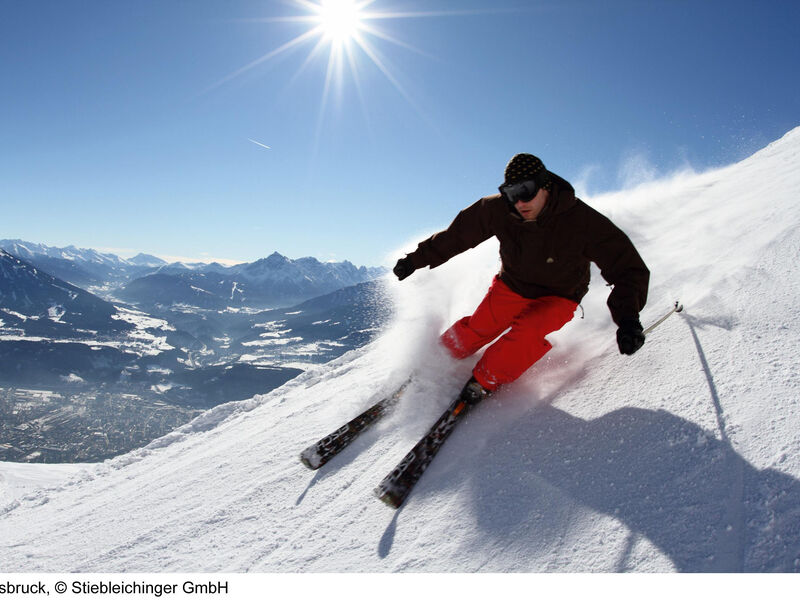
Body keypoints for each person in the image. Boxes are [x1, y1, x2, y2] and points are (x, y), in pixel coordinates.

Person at [393, 153, 650, 404]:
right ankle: (438, 360)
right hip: (513, 285)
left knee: (528, 332)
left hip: (560, 294)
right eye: (511, 194)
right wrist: (414, 260)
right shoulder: (497, 209)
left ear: (544, 184)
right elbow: (457, 236)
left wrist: (628, 320)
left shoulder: (581, 221)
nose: (519, 202)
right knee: (479, 327)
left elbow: (627, 267)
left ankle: (485, 380)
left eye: (525, 191)